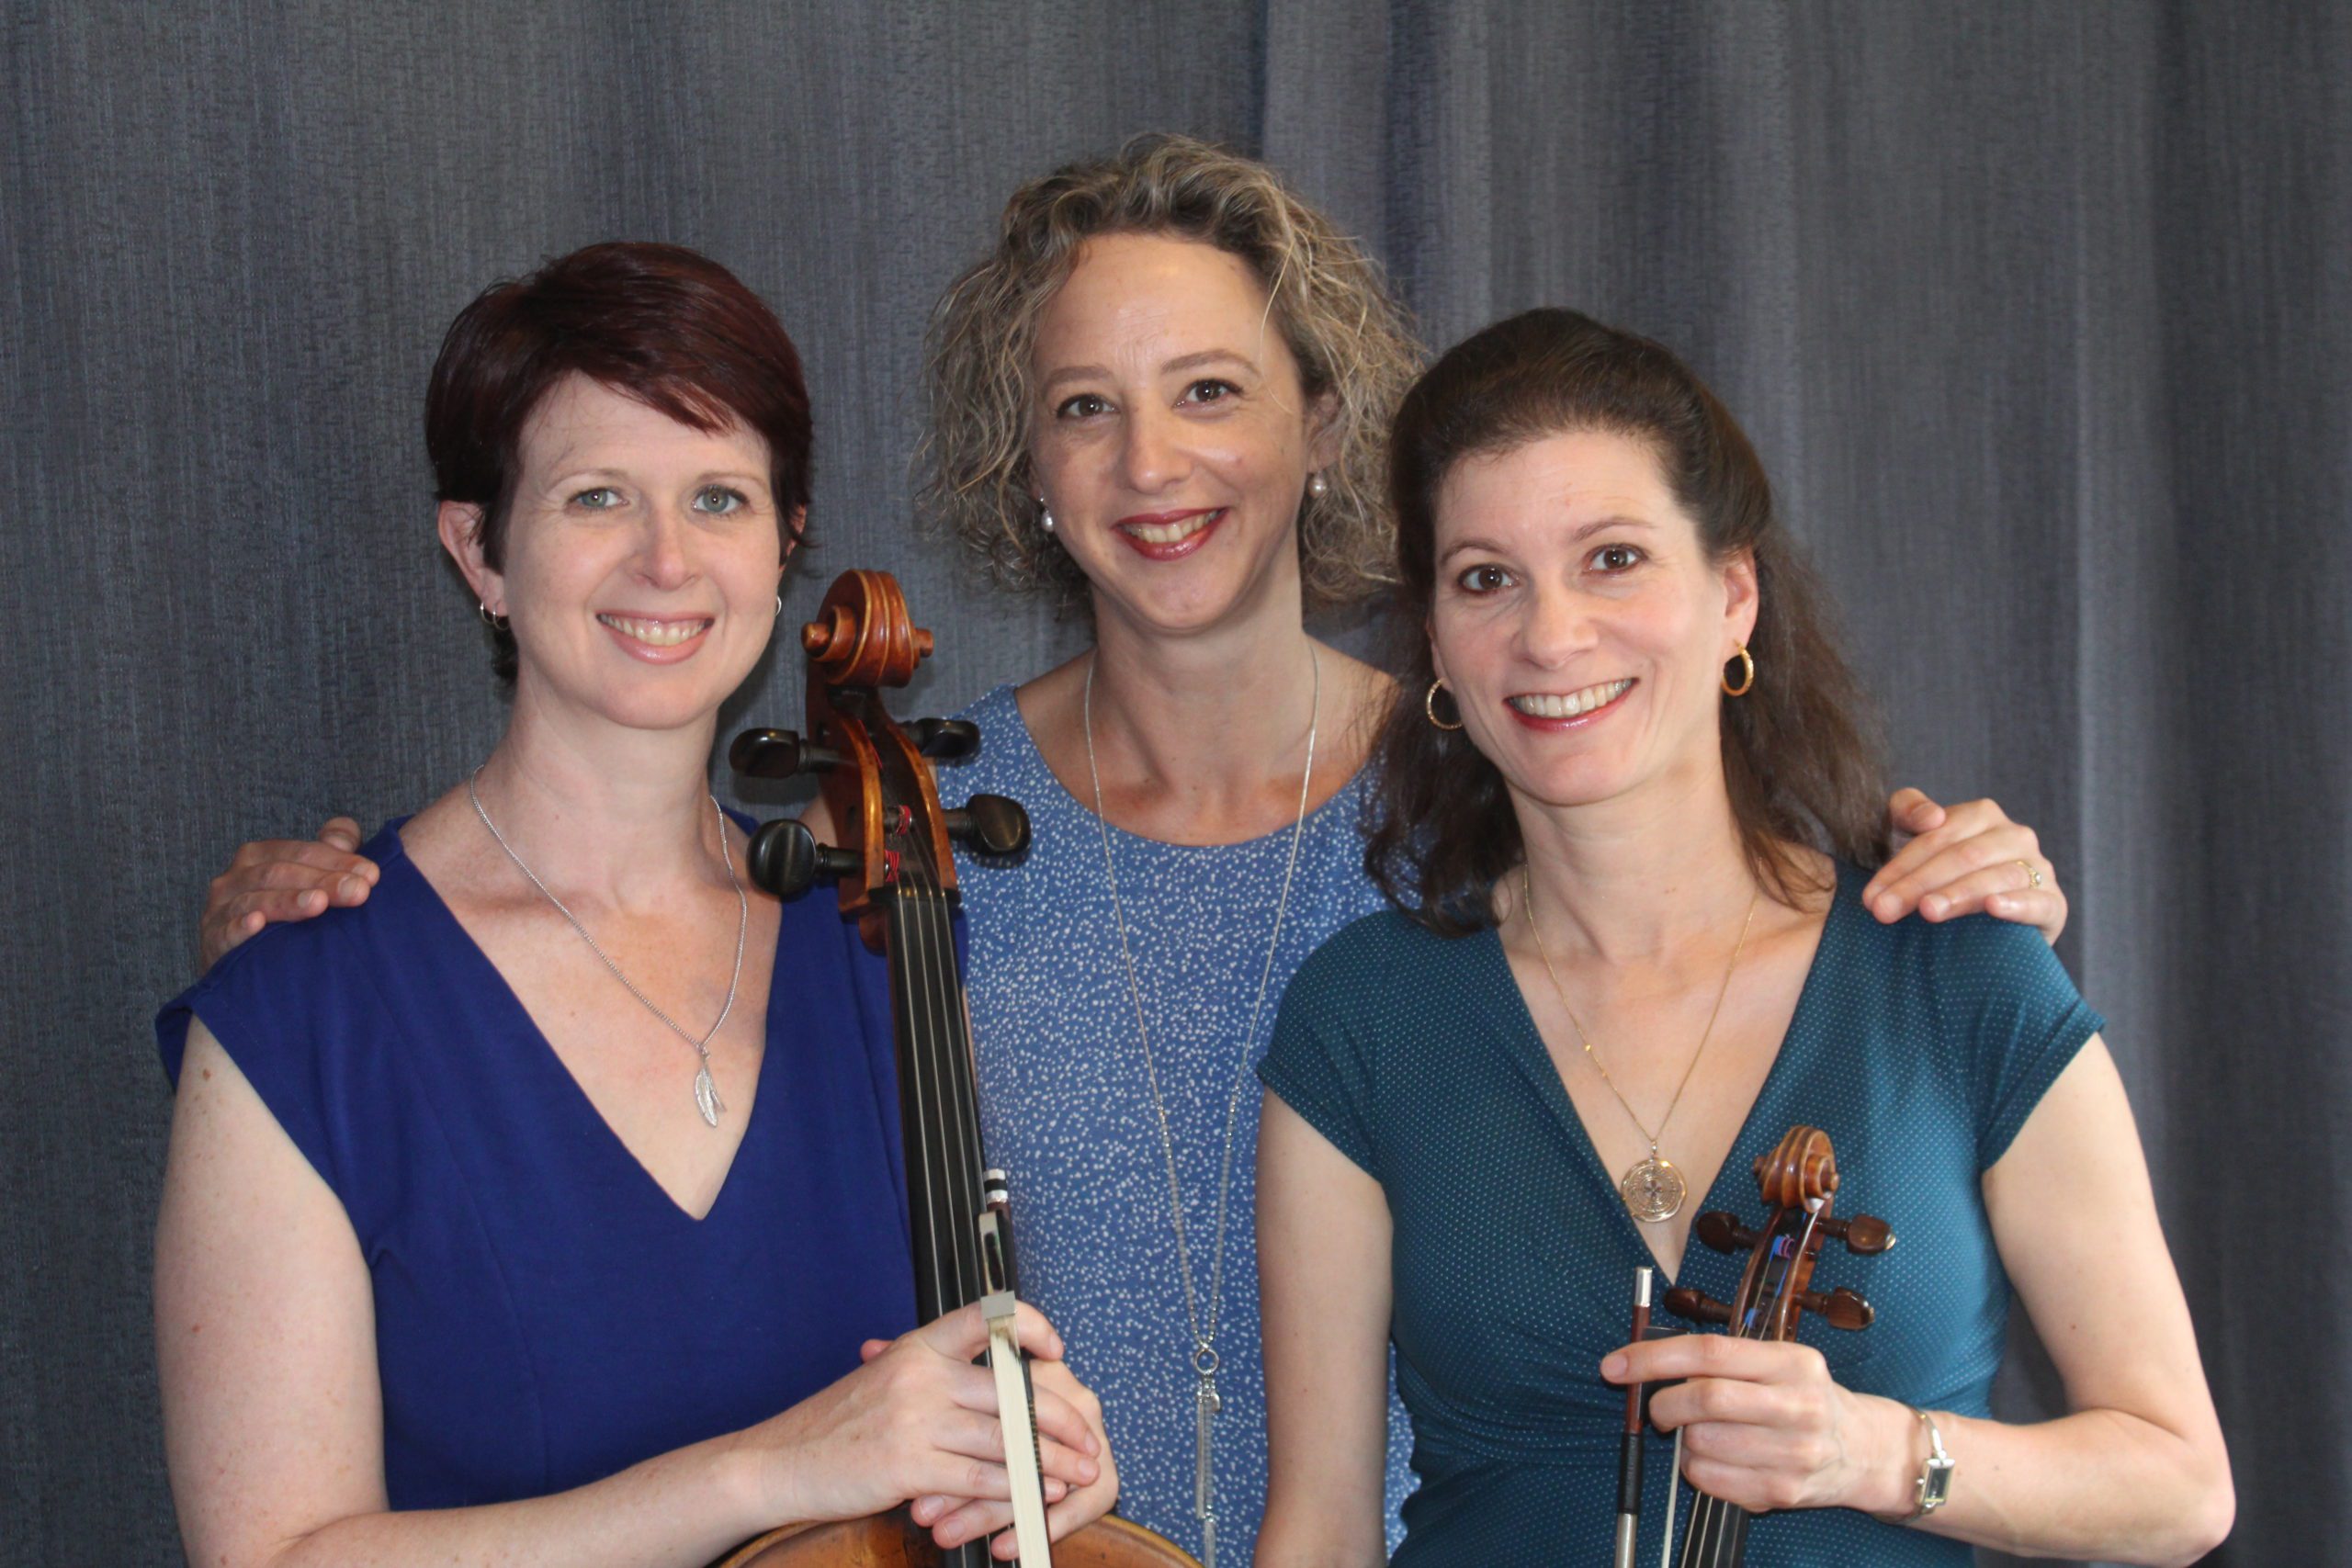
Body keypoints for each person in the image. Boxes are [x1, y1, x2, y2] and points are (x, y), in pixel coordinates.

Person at [190, 139, 2072, 1563]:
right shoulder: (894, 848)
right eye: (1083, 407)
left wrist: (1950, 888)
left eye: (1211, 390)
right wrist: (321, 930)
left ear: (1323, 426)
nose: (1150, 462)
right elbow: (568, 964)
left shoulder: (1507, 768)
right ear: (1025, 470)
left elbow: (1748, 941)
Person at [153, 243, 1115, 1568]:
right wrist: (770, 1473)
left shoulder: (881, 946)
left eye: (720, 498)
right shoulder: (303, 1012)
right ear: (479, 550)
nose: (667, 560)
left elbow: (943, 1405)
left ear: (783, 546)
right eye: (597, 496)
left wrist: (1018, 1455)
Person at [1252, 308, 2233, 1566]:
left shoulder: (1960, 974)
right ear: (1437, 643)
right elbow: (1323, 1530)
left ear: (1733, 597)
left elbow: (2179, 1488)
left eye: (1613, 559)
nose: (1551, 635)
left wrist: (1875, 1453)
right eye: (1487, 578)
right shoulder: (1365, 1016)